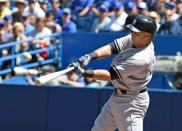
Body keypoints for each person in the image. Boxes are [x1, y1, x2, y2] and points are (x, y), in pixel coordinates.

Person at [70, 15, 157, 131]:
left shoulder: (142, 58)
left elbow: (110, 75)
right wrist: (90, 56)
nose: (132, 33)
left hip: (132, 101)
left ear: (147, 36)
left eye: (136, 32)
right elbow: (112, 47)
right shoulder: (135, 39)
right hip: (118, 96)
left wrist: (83, 73)